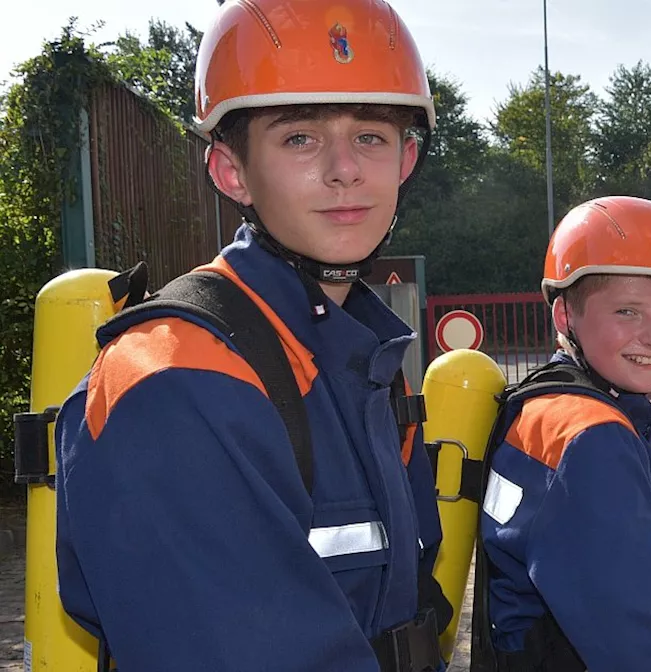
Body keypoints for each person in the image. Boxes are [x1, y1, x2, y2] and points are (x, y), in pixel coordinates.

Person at [53, 1, 450, 670]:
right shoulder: (174, 378)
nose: (345, 169)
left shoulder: (369, 354)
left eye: (372, 137)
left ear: (405, 159)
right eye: (300, 137)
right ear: (231, 170)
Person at [469, 196, 651, 671]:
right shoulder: (592, 439)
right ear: (564, 317)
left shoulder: (543, 406)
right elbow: (643, 657)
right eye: (628, 312)